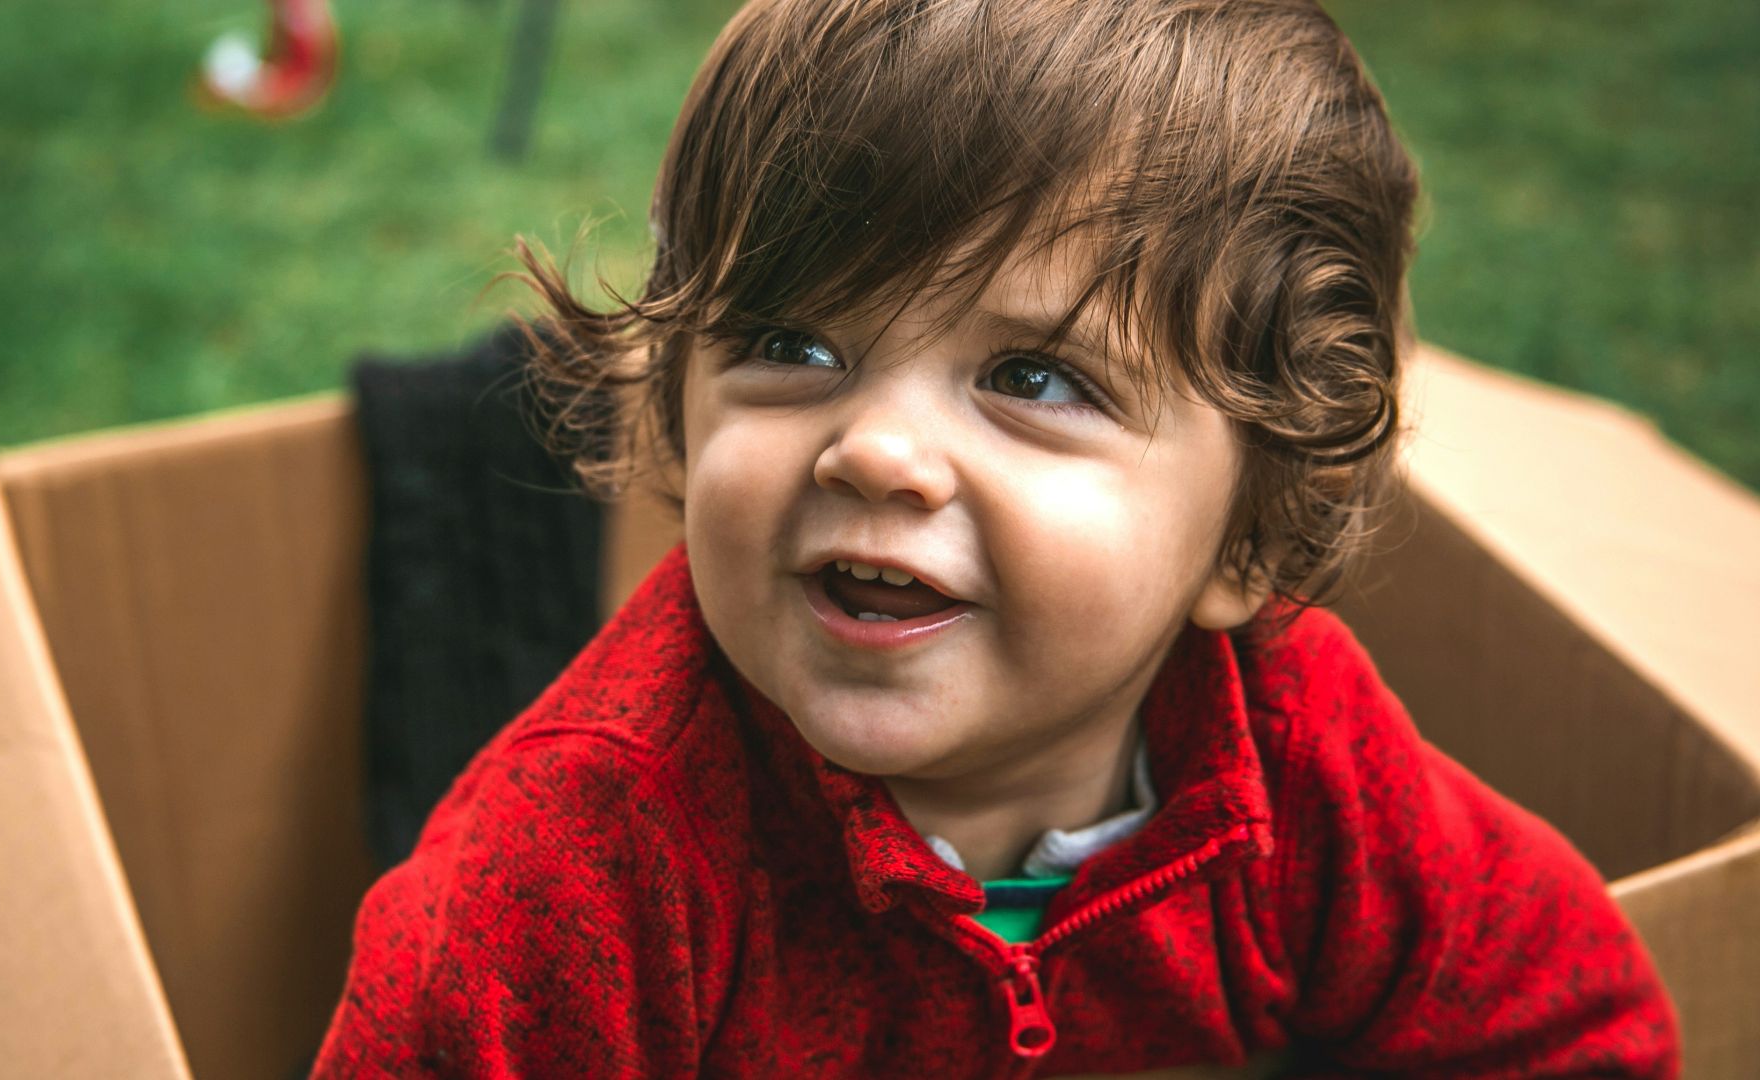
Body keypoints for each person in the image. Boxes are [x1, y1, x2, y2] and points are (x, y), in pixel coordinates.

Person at [312, 0, 1679, 1074]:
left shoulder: (1298, 761)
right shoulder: (566, 887)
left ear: (1247, 547)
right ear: (672, 421)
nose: (879, 449)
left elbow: (1569, 1027)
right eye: (793, 344)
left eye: (1035, 380)